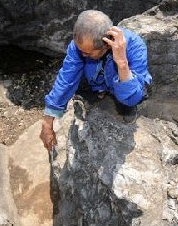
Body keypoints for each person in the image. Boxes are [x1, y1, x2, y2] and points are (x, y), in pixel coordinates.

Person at [39, 10, 152, 152]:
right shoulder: (78, 48)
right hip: (95, 80)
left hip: (118, 83)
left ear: (105, 45)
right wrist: (47, 121)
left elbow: (133, 96)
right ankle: (92, 96)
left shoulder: (135, 46)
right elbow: (66, 79)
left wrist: (122, 63)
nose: (82, 54)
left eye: (87, 52)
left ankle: (124, 107)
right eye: (80, 50)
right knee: (76, 79)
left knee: (130, 99)